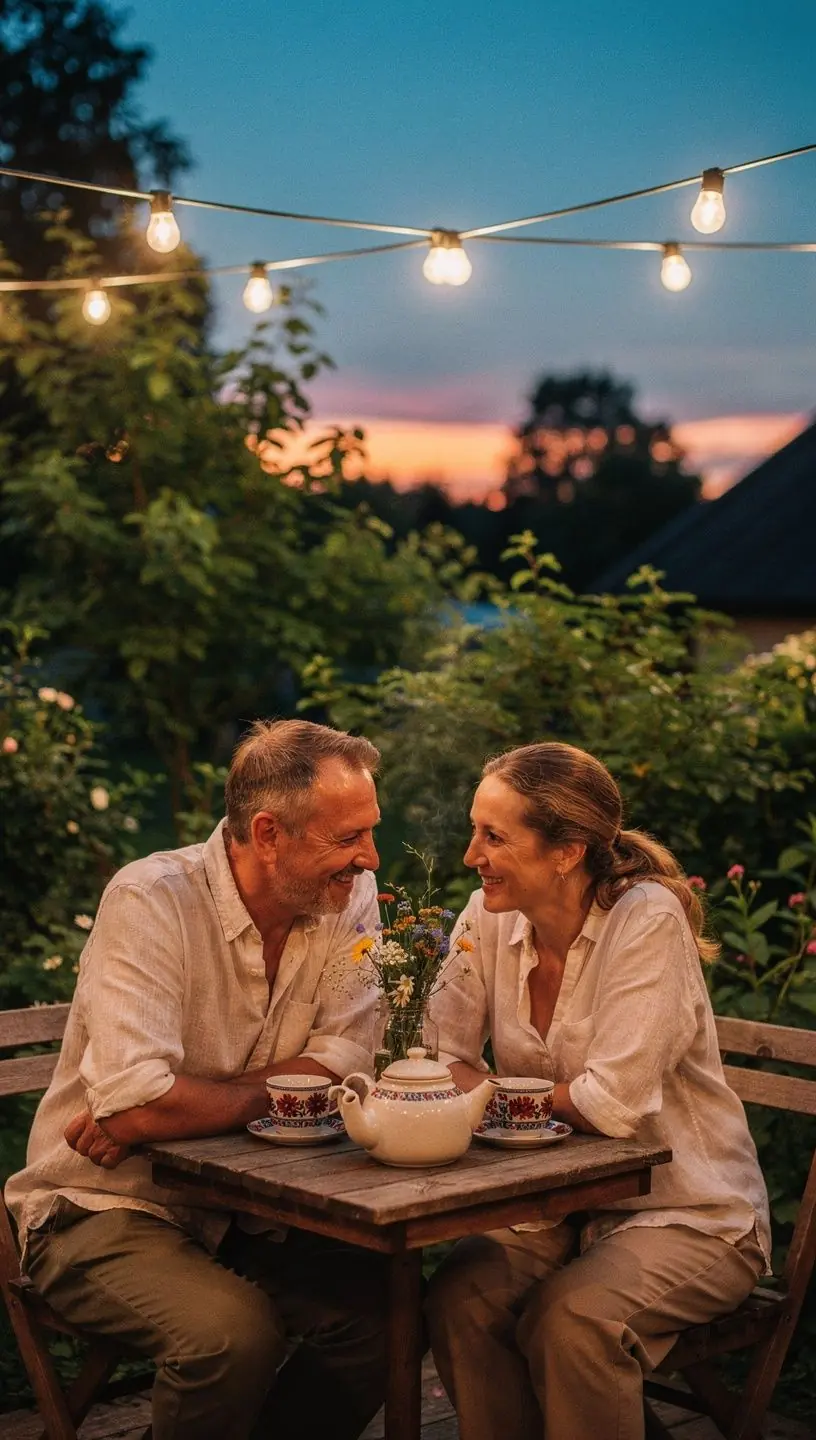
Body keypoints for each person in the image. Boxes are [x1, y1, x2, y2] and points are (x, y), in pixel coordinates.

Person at [5, 718, 388, 1440]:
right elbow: (139, 1101)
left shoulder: (344, 895)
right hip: (100, 1205)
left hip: (252, 1209)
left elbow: (349, 1060)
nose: (368, 858)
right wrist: (272, 1093)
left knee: (387, 1320)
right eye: (346, 839)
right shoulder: (151, 900)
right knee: (228, 1337)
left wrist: (185, 1104)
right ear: (268, 833)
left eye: (368, 832)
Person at [426, 741, 770, 1440]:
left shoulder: (646, 920)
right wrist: (525, 1097)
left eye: (493, 836)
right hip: (553, 1208)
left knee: (575, 1321)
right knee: (461, 1296)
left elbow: (612, 1105)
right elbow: (438, 1054)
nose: (471, 855)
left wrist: (488, 1093)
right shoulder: (488, 913)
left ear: (567, 851)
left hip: (690, 1213)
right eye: (474, 830)